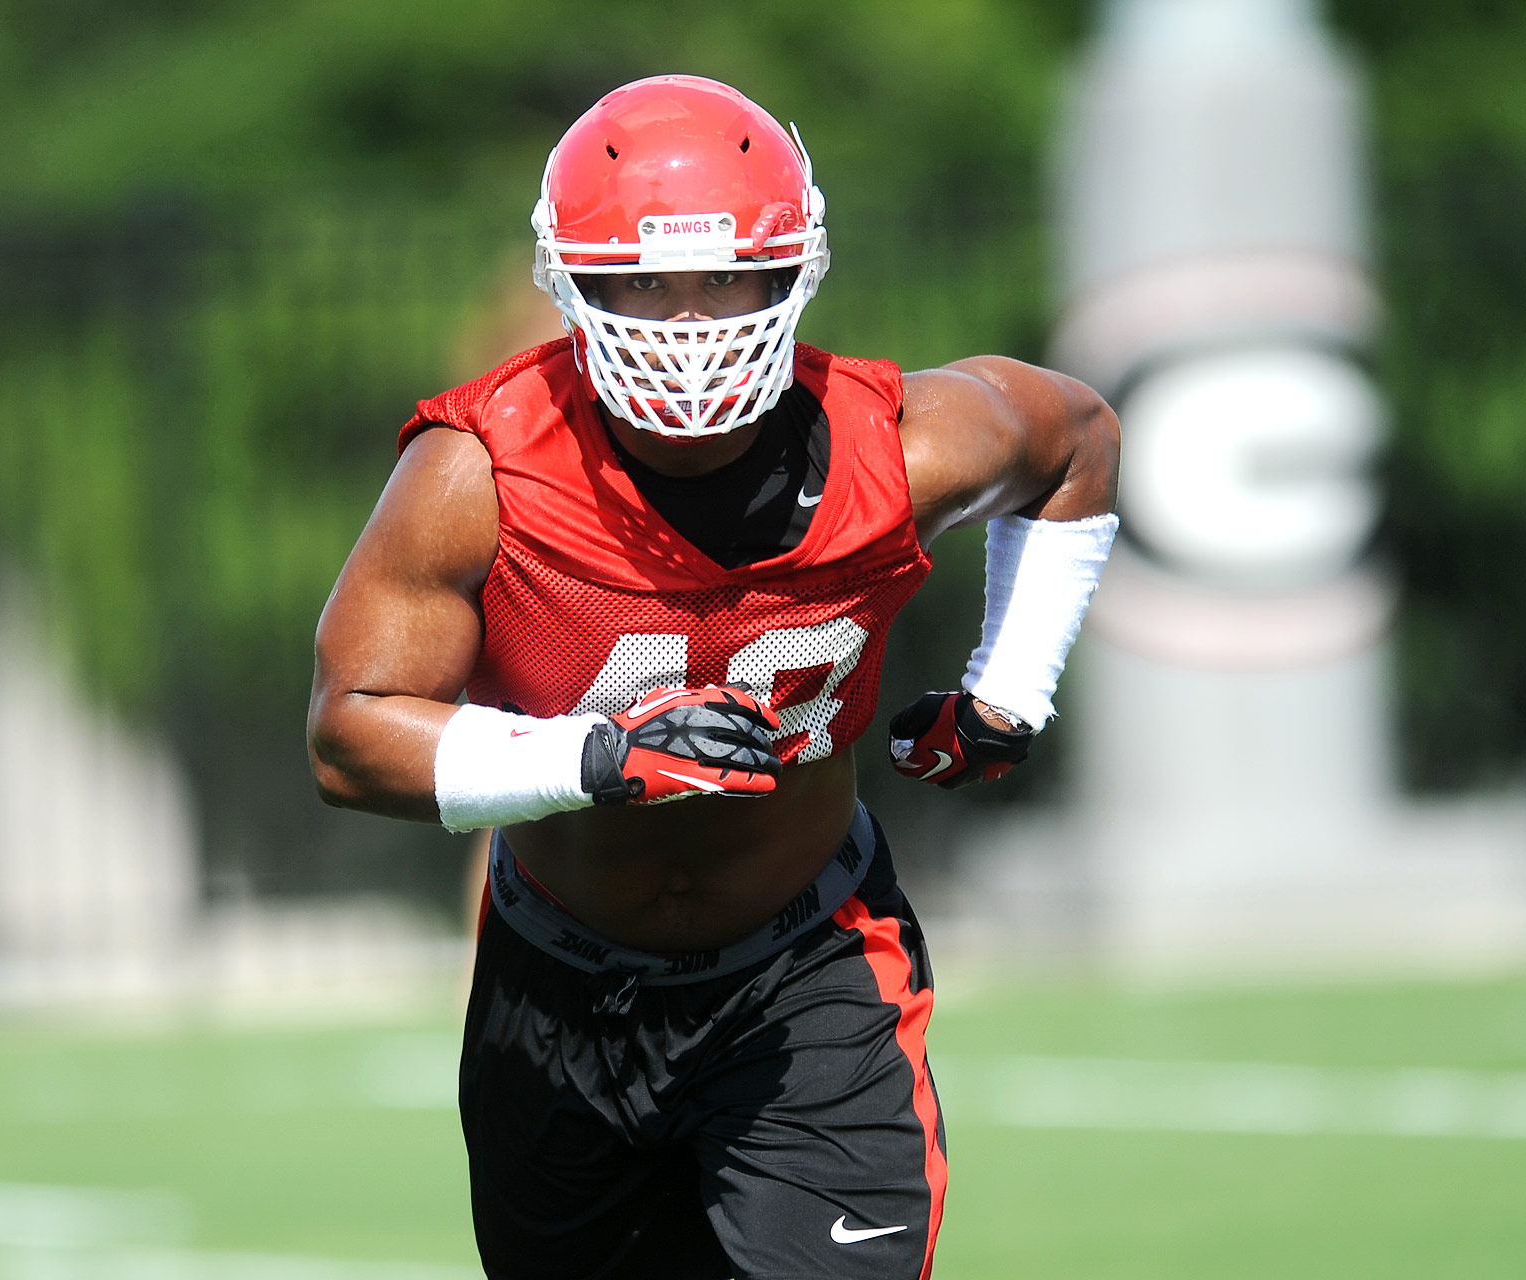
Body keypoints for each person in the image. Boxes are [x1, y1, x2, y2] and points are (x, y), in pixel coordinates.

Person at [308, 75, 1118, 1280]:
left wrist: (1011, 684)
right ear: (571, 285)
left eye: (724, 277)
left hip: (807, 969)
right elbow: (347, 736)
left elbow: (1077, 439)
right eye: (640, 283)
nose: (685, 323)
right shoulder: (477, 470)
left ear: (793, 271)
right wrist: (593, 756)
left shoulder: (903, 446)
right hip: (561, 989)